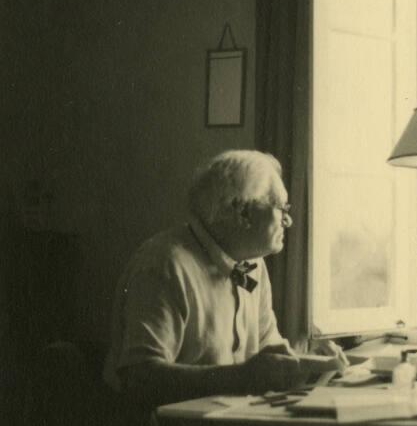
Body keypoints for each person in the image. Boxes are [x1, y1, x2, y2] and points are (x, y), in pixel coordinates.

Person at [103, 149, 340, 408]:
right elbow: (140, 378)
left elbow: (266, 350)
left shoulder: (253, 264)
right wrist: (241, 378)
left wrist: (306, 362)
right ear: (242, 212)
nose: (289, 219)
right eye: (281, 207)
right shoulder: (165, 264)